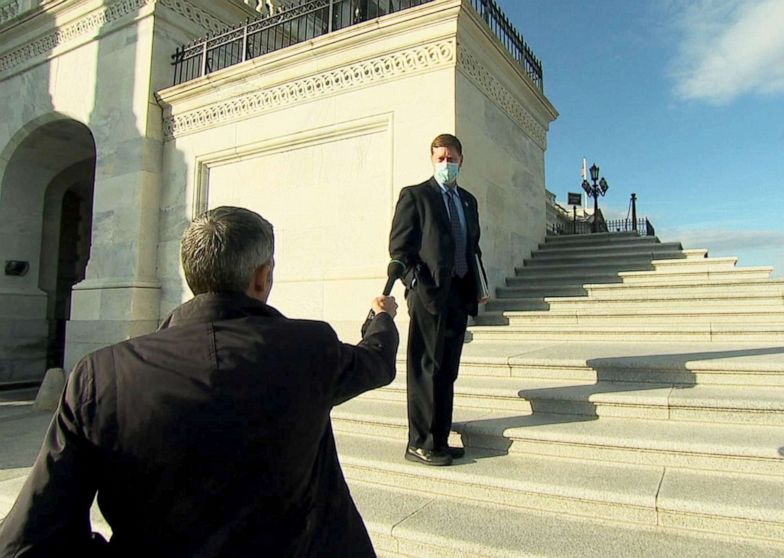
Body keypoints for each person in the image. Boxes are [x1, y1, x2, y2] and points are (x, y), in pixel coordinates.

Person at [0, 206, 399, 557]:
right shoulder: (309, 348)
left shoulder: (100, 374)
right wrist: (380, 317)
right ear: (262, 278)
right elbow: (376, 362)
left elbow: (29, 539)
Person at [389, 133, 488, 467]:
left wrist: (477, 284)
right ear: (432, 160)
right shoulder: (416, 196)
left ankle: (440, 439)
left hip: (459, 293)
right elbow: (400, 248)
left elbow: (471, 245)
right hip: (428, 295)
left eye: (451, 158)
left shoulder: (469, 201)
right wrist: (414, 281)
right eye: (440, 158)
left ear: (462, 160)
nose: (446, 163)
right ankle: (419, 442)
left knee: (447, 370)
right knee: (425, 368)